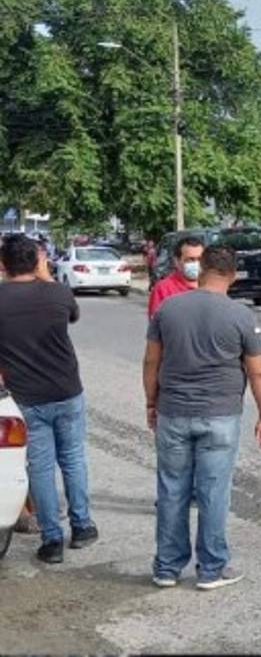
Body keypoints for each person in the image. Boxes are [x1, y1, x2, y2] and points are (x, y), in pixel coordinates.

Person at [143, 245, 261, 590]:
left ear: (199, 270)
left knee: (172, 490)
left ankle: (167, 568)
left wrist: (150, 403)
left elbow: (151, 363)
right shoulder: (241, 316)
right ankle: (211, 569)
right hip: (220, 415)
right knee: (214, 492)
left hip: (173, 412)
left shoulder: (168, 309)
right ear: (231, 276)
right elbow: (257, 373)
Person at [0, 234, 97, 563]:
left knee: (40, 467)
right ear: (39, 261)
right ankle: (82, 526)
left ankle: (52, 540)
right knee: (73, 458)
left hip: (28, 396)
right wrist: (44, 274)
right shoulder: (57, 292)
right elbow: (73, 315)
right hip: (67, 390)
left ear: (3, 265)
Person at [147, 236, 205, 318]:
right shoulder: (163, 289)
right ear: (177, 261)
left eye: (200, 259)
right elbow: (156, 324)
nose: (196, 263)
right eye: (190, 260)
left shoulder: (211, 286)